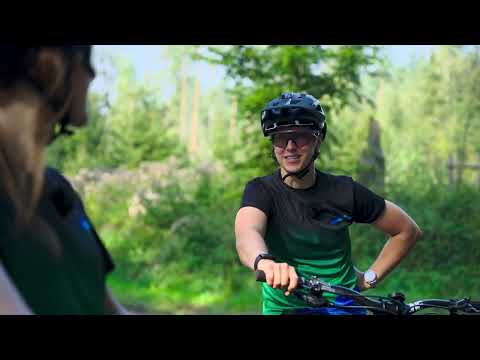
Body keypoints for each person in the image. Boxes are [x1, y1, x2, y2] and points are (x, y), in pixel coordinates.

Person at [235, 92, 422, 315]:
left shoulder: (344, 191)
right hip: (286, 308)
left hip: (345, 306)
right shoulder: (261, 190)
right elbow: (247, 232)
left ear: (318, 138)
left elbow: (406, 230)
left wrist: (369, 278)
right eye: (280, 138)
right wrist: (264, 262)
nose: (290, 146)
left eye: (301, 136)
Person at [0, 46, 128, 315]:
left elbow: (108, 308)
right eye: (85, 59)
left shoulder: (58, 193)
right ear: (48, 63)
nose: (92, 76)